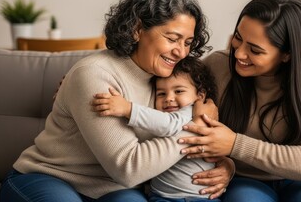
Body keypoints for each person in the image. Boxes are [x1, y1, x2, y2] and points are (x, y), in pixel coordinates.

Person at [0, 0, 234, 202]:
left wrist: (226, 165)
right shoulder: (95, 74)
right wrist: (196, 130)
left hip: (114, 189)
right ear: (138, 29)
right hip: (50, 177)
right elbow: (129, 168)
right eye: (173, 39)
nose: (181, 52)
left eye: (188, 42)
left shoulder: (168, 81)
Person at [178, 0, 301, 202]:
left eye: (255, 50)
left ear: (287, 54)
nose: (238, 53)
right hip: (245, 180)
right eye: (238, 38)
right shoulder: (217, 66)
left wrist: (235, 144)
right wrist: (225, 162)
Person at [92, 56, 221, 201]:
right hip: (161, 197)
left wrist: (128, 109)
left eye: (178, 91)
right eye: (161, 94)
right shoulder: (161, 114)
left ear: (200, 95)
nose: (169, 98)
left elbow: (169, 124)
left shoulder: (193, 111)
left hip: (199, 197)